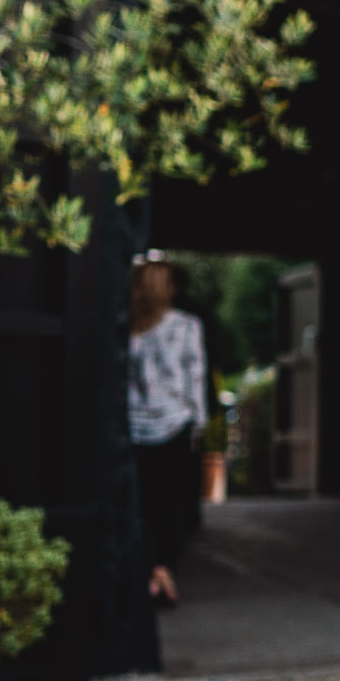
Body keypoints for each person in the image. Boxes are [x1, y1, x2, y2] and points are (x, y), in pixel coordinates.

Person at [127, 258, 207, 607]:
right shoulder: (187, 326)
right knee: (171, 504)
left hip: (134, 427)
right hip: (175, 424)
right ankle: (163, 567)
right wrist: (199, 424)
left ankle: (149, 570)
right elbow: (196, 378)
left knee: (141, 504)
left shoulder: (129, 329)